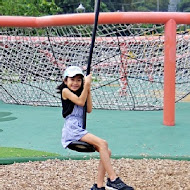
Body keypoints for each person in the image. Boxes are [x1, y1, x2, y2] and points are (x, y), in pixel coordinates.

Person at [57, 66, 134, 190]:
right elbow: (80, 102)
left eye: (79, 80)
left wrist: (88, 90)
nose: (75, 83)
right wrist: (86, 86)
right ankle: (113, 179)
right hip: (72, 129)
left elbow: (88, 109)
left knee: (106, 152)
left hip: (78, 128)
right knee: (103, 143)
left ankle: (98, 186)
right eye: (72, 79)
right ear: (65, 81)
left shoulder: (81, 92)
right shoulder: (65, 91)